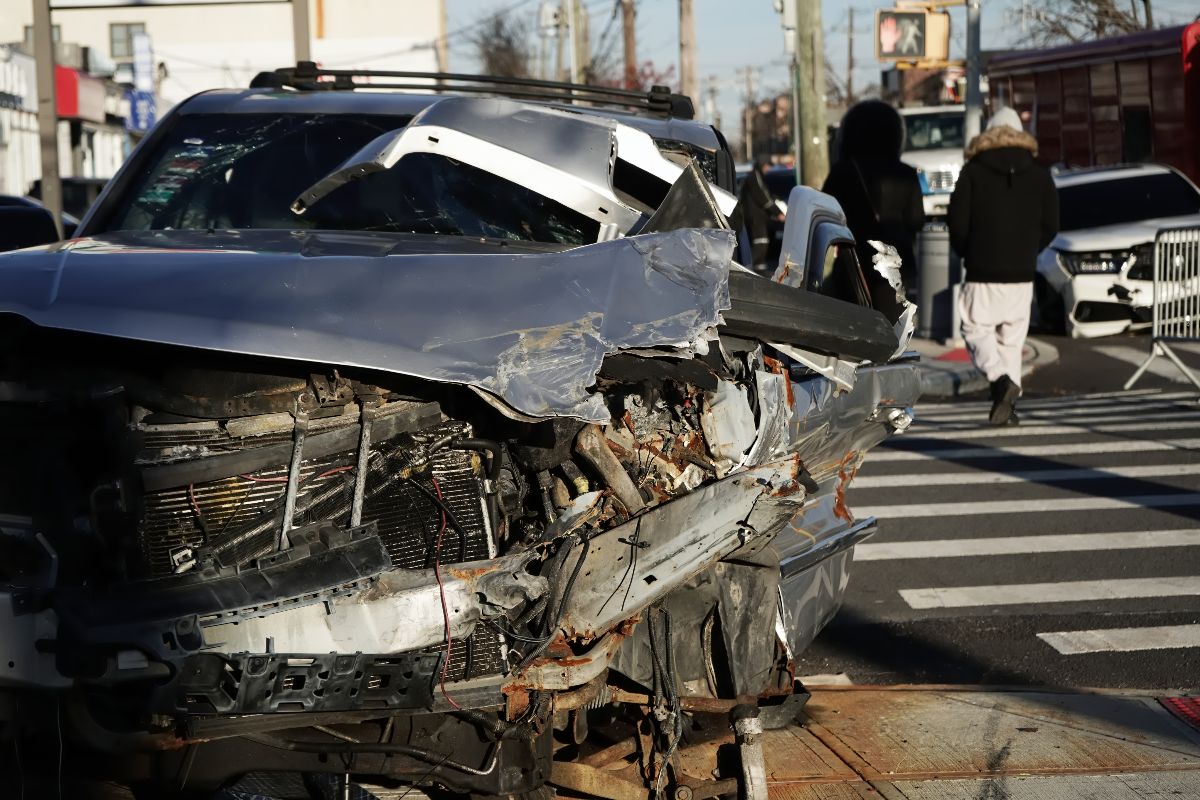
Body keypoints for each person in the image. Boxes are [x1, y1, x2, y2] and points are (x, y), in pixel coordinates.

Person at [948, 107, 1058, 426]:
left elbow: (957, 223)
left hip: (982, 269)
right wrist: (1029, 250)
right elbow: (1051, 224)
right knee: (1012, 342)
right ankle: (1008, 407)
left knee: (973, 328)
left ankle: (999, 381)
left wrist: (967, 251)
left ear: (988, 133)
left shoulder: (973, 171)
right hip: (1022, 273)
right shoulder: (1039, 173)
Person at [822, 100, 925, 319]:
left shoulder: (843, 172)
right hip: (898, 261)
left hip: (855, 260)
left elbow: (827, 217)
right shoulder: (906, 172)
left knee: (855, 328)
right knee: (894, 329)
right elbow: (916, 220)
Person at [739, 157, 781, 272]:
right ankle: (754, 270)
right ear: (762, 165)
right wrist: (777, 212)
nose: (768, 169)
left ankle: (759, 269)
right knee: (760, 242)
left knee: (762, 242)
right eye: (767, 166)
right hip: (755, 217)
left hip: (758, 217)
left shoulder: (758, 176)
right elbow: (763, 197)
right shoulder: (754, 177)